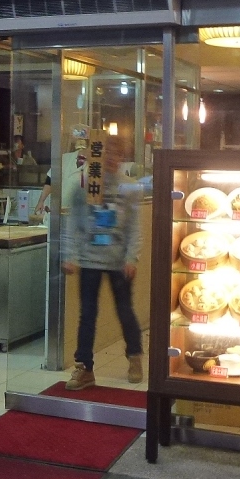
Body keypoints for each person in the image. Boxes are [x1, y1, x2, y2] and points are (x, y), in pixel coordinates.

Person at [63, 138, 144, 389]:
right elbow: (73, 223)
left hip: (118, 261)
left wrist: (132, 257)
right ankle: (84, 368)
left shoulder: (129, 187)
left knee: (125, 312)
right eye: (106, 152)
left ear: (122, 158)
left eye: (116, 153)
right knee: (87, 314)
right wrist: (70, 255)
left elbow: (134, 227)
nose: (111, 158)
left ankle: (135, 358)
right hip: (89, 259)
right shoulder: (83, 185)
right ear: (95, 155)